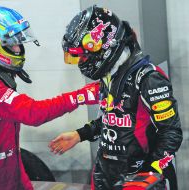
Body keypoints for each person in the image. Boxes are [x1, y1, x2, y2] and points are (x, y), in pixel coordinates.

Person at [0, 5, 100, 190]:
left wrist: (24, 184)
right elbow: (33, 113)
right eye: (12, 43)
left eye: (18, 42)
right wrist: (82, 95)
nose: (18, 48)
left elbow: (9, 151)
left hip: (9, 176)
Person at [48, 5, 183, 190]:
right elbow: (113, 120)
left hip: (141, 179)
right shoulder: (111, 73)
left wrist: (149, 173)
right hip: (107, 174)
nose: (81, 62)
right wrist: (80, 134)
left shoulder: (148, 78)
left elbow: (171, 134)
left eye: (83, 56)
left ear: (104, 47)